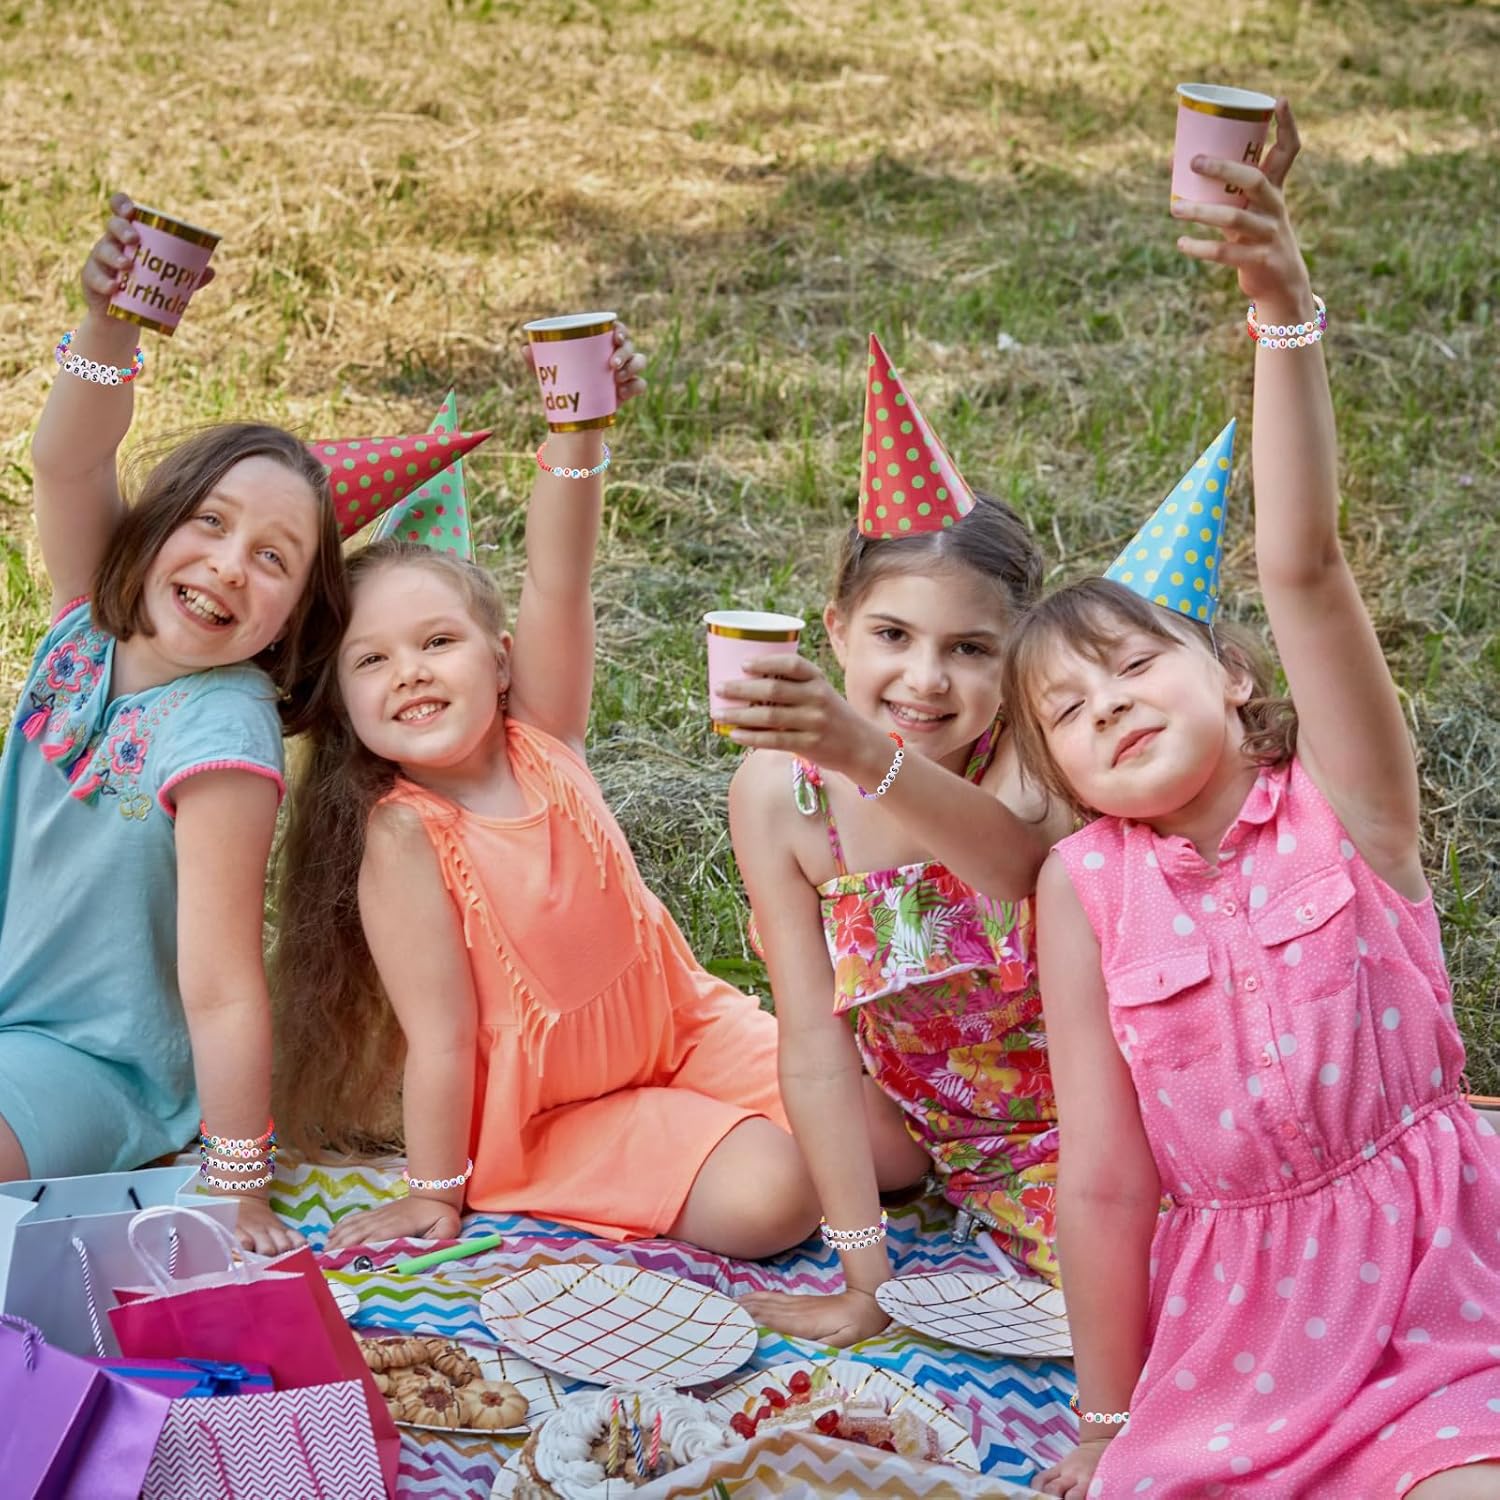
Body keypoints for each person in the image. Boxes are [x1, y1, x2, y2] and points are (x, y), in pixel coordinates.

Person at [1007, 104, 1500, 1499]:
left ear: (1232, 677)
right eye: (1068, 714)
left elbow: (1307, 567)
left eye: (1131, 667)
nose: (1107, 706)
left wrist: (1282, 310)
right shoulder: (1082, 892)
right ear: (1061, 776)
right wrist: (1103, 1421)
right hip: (1246, 1342)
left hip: (1445, 1295)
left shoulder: (1347, 801)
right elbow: (1105, 1179)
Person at [273, 332, 822, 1257]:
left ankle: (700, 1125)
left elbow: (556, 578)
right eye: (371, 660)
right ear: (342, 707)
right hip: (550, 1118)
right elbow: (442, 1038)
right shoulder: (406, 837)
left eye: (437, 641)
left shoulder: (544, 733)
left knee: (884, 1140)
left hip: (683, 1029)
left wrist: (577, 434)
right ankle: (672, 1148)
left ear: (500, 662)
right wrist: (434, 1193)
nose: (410, 671)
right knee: (778, 1195)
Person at [0, 194, 349, 1253]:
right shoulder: (86, 627)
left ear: (292, 621)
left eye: (273, 558)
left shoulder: (224, 737)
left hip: (94, 1062)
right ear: (152, 530)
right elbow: (67, 463)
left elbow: (223, 983)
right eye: (210, 522)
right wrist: (107, 324)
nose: (229, 566)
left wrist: (236, 1181)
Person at [721, 336, 1071, 1347]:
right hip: (920, 1125)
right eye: (893, 636)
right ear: (835, 630)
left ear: (1017, 660)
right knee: (776, 1165)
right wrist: (864, 1278)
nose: (925, 680)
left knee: (1177, 1294)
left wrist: (867, 754)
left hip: (1085, 1125)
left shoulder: (1032, 762)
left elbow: (1013, 867)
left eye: (970, 648)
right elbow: (815, 1043)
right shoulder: (782, 797)